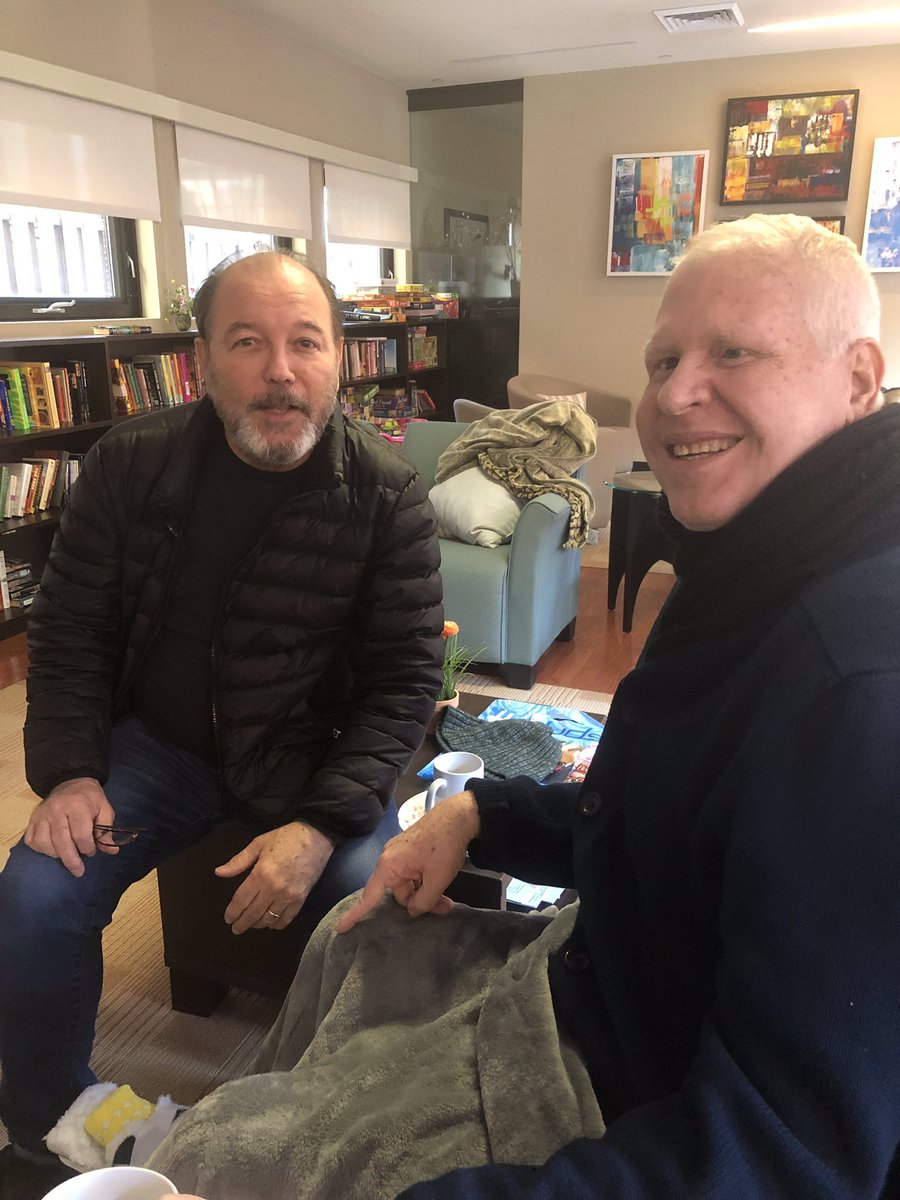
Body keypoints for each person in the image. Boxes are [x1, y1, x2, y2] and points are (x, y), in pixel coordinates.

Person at [143, 214, 900, 1199]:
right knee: (348, 941)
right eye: (664, 358)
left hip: (627, 1097)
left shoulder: (857, 691)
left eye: (733, 353)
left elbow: (784, 1155)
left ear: (858, 378)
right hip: (593, 977)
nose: (675, 394)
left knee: (214, 1160)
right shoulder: (749, 559)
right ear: (205, 361)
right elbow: (670, 830)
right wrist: (482, 812)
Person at [0, 250, 444, 1196]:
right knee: (36, 894)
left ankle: (322, 1136)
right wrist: (71, 772)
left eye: (305, 343)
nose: (280, 371)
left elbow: (405, 682)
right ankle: (50, 1128)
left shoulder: (388, 492)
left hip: (313, 761)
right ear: (202, 361)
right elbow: (70, 630)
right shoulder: (130, 463)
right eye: (248, 343)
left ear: (339, 359)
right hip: (161, 751)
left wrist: (320, 825)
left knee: (370, 908)